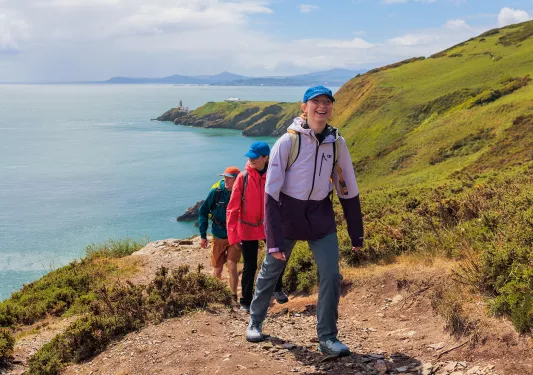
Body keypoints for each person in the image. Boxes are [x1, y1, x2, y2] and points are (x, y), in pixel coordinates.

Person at [245, 86, 364, 358]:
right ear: (304, 107)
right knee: (271, 270)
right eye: (315, 102)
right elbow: (271, 192)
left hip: (320, 215)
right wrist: (273, 240)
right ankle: (255, 319)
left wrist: (356, 233)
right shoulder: (288, 142)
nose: (321, 107)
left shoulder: (337, 143)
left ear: (331, 107)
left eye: (327, 102)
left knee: (331, 275)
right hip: (288, 214)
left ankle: (327, 338)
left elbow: (348, 187)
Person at [226, 142, 289, 312]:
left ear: (265, 158)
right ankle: (246, 300)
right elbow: (232, 208)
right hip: (246, 229)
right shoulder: (243, 177)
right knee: (250, 266)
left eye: (255, 157)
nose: (251, 159)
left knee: (278, 257)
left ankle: (277, 289)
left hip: (268, 227)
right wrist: (233, 236)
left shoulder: (274, 175)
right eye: (250, 157)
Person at [198, 166, 242, 300]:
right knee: (217, 269)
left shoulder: (242, 192)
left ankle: (233, 296)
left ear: (237, 179)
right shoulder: (216, 192)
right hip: (218, 235)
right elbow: (203, 211)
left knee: (232, 266)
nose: (226, 181)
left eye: (229, 178)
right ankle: (215, 294)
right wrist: (203, 235)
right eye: (225, 178)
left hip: (235, 236)